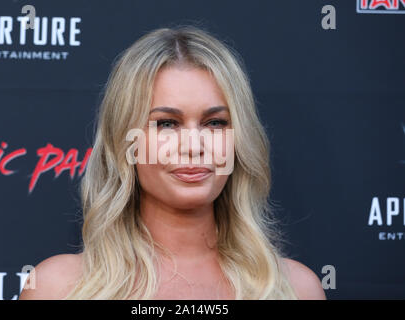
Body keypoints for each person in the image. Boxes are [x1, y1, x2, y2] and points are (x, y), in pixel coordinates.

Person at [19, 25, 326, 300]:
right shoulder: (57, 288)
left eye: (215, 123)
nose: (194, 146)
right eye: (166, 124)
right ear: (126, 141)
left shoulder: (295, 289)